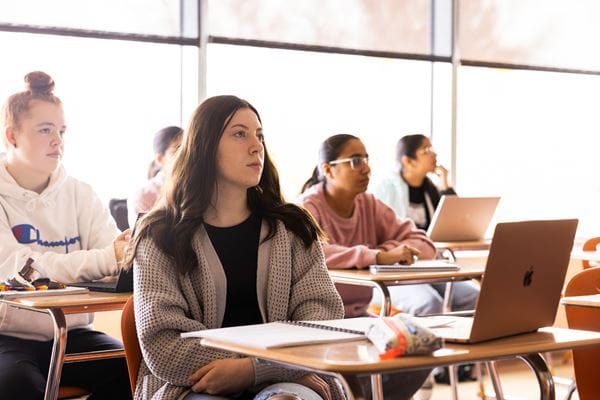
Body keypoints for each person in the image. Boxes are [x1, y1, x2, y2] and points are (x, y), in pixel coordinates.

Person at [128, 95, 346, 400]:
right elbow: (164, 346)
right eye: (239, 134)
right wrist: (257, 366)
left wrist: (255, 370)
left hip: (288, 381)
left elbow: (322, 323)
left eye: (260, 135)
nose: (256, 146)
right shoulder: (159, 235)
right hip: (191, 386)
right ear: (204, 146)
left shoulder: (294, 228)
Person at [0, 71, 131, 398]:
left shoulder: (80, 193)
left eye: (61, 130)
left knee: (129, 371)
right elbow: (20, 270)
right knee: (17, 385)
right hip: (7, 337)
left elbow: (116, 257)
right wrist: (107, 257)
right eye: (45, 130)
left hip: (73, 333)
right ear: (11, 136)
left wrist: (123, 253)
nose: (58, 140)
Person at [299, 133, 436, 399]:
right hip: (320, 323)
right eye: (355, 160)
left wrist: (384, 251)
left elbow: (422, 241)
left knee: (419, 350)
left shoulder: (370, 205)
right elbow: (315, 251)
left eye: (366, 159)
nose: (366, 168)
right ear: (328, 170)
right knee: (361, 377)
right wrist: (376, 257)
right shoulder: (307, 206)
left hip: (360, 319)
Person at [371, 134, 479, 315]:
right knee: (430, 303)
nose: (434, 154)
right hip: (397, 266)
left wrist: (445, 186)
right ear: (407, 160)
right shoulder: (386, 188)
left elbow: (454, 223)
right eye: (426, 150)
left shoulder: (430, 189)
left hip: (428, 262)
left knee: (473, 296)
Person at [128, 125, 183, 226]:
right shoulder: (143, 196)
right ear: (160, 159)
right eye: (177, 150)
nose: (185, 156)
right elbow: (143, 239)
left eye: (187, 150)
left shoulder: (200, 189)